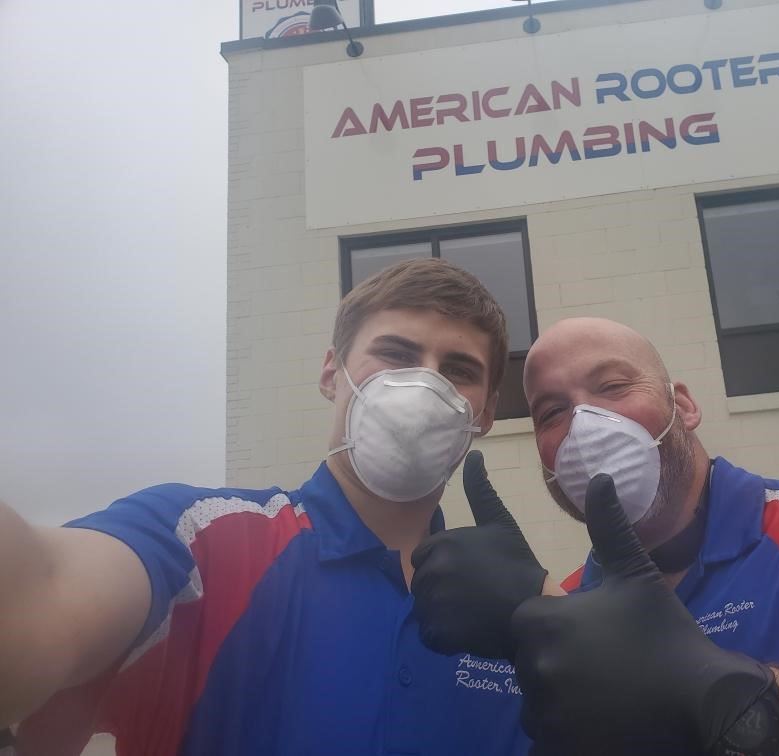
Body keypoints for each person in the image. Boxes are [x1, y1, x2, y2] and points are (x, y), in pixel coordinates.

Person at [0, 259, 531, 755]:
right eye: (395, 354)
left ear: (483, 413)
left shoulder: (519, 614)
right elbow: (44, 587)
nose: (424, 383)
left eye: (458, 369)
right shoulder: (203, 541)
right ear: (331, 374)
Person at [412, 316, 779, 755]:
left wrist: (735, 700)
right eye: (551, 412)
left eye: (614, 387)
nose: (587, 424)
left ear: (684, 406)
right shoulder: (570, 607)